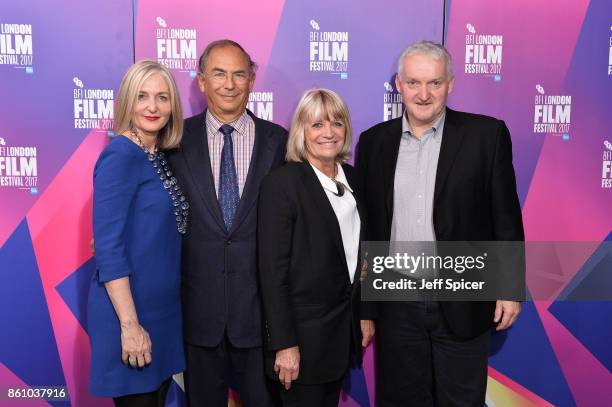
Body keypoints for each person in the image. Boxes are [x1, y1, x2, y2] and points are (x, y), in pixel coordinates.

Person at [356, 40, 524, 406]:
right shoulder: (373, 143)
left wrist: (509, 286)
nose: (423, 93)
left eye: (434, 83)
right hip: (397, 300)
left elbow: (506, 217)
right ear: (398, 85)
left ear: (451, 84)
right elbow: (369, 231)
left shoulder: (486, 136)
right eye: (414, 82)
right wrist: (366, 307)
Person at [166, 39, 287, 406]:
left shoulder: (279, 142)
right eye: (218, 74)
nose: (229, 84)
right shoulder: (174, 140)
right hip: (198, 317)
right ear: (201, 81)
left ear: (252, 79)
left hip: (260, 318)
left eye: (238, 74)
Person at [258, 88, 375, 407]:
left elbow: (361, 252)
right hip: (301, 342)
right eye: (317, 125)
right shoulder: (282, 185)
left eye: (336, 123)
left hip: (342, 337)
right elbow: (272, 274)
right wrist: (284, 345)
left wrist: (365, 313)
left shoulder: (353, 178)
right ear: (301, 132)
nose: (328, 132)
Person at [88, 59, 186, 406]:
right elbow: (109, 250)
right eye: (142, 96)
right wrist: (130, 327)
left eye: (162, 97)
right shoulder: (120, 155)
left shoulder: (156, 155)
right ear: (127, 101)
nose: (152, 107)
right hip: (130, 316)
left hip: (161, 315)